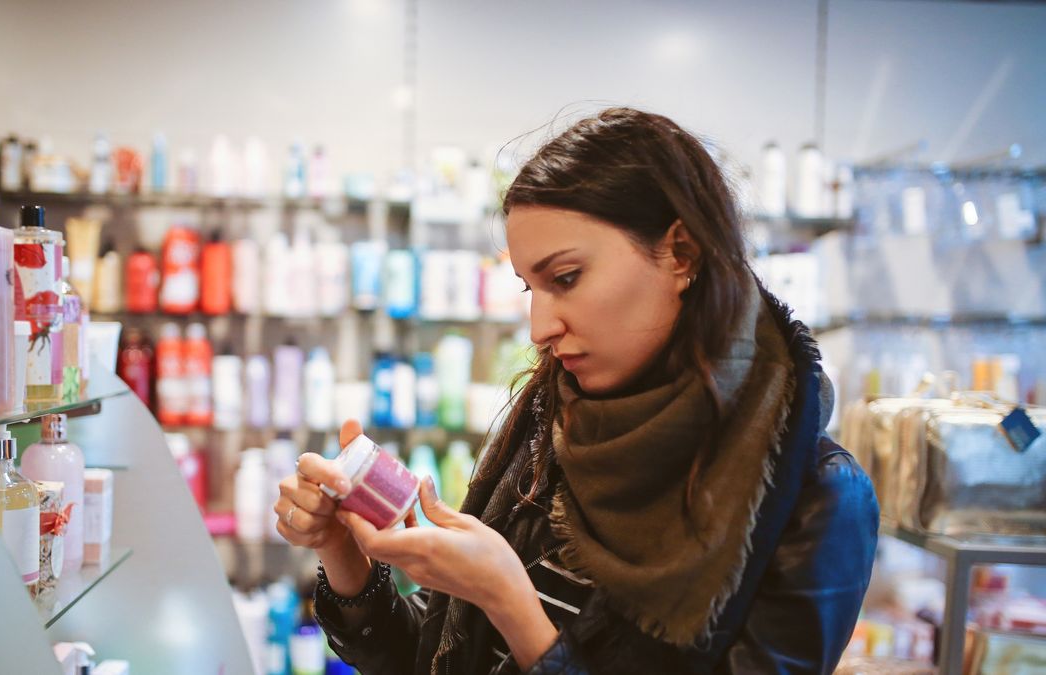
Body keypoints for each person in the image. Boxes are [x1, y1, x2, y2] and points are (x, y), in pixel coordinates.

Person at [273, 108, 879, 674]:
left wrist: (511, 602)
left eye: (566, 278)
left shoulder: (818, 499)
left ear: (681, 253)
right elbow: (432, 660)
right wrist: (344, 556)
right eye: (530, 288)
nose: (541, 329)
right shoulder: (549, 430)